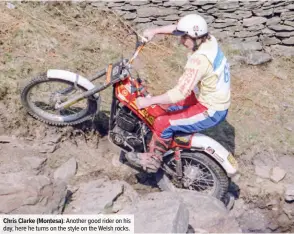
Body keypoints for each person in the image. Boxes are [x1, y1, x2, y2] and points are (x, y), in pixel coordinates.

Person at [125, 14, 231, 173]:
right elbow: (178, 29)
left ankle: (154, 159)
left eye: (184, 38)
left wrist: (149, 101)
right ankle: (154, 137)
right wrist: (155, 31)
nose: (181, 41)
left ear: (194, 37)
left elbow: (180, 93)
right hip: (207, 95)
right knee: (162, 106)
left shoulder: (200, 60)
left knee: (163, 122)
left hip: (211, 109)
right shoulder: (209, 40)